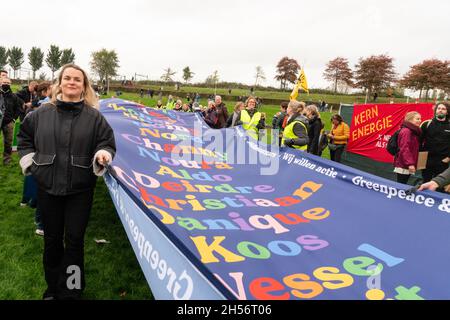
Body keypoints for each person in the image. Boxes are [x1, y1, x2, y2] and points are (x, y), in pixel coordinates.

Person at [17, 64, 116, 300]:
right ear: (59, 82)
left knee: (74, 243)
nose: (72, 82)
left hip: (80, 191)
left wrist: (103, 154)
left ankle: (72, 289)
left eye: (77, 80)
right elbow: (24, 138)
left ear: (84, 86)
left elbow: (106, 142)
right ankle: (52, 289)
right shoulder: (40, 114)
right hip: (48, 188)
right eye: (67, 78)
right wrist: (31, 165)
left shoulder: (94, 117)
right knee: (51, 241)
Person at [420, 102, 450, 185]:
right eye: (439, 108)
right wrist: (421, 158)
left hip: (442, 161)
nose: (440, 110)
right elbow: (419, 142)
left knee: (440, 185)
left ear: (447, 112)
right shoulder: (426, 124)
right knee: (425, 182)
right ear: (435, 110)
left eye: (443, 109)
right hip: (427, 160)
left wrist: (448, 158)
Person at [393, 111, 422, 184]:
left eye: (420, 119)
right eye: (417, 119)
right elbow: (404, 148)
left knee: (403, 183)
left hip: (406, 163)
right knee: (401, 184)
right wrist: (410, 164)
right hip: (404, 164)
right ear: (410, 120)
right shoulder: (407, 131)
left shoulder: (413, 131)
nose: (420, 120)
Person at [1, 76, 24, 165]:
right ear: (1, 83)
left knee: (8, 141)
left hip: (8, 122)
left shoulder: (14, 96)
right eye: (4, 83)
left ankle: (7, 159)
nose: (6, 84)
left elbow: (19, 109)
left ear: (10, 84)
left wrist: (14, 119)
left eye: (7, 83)